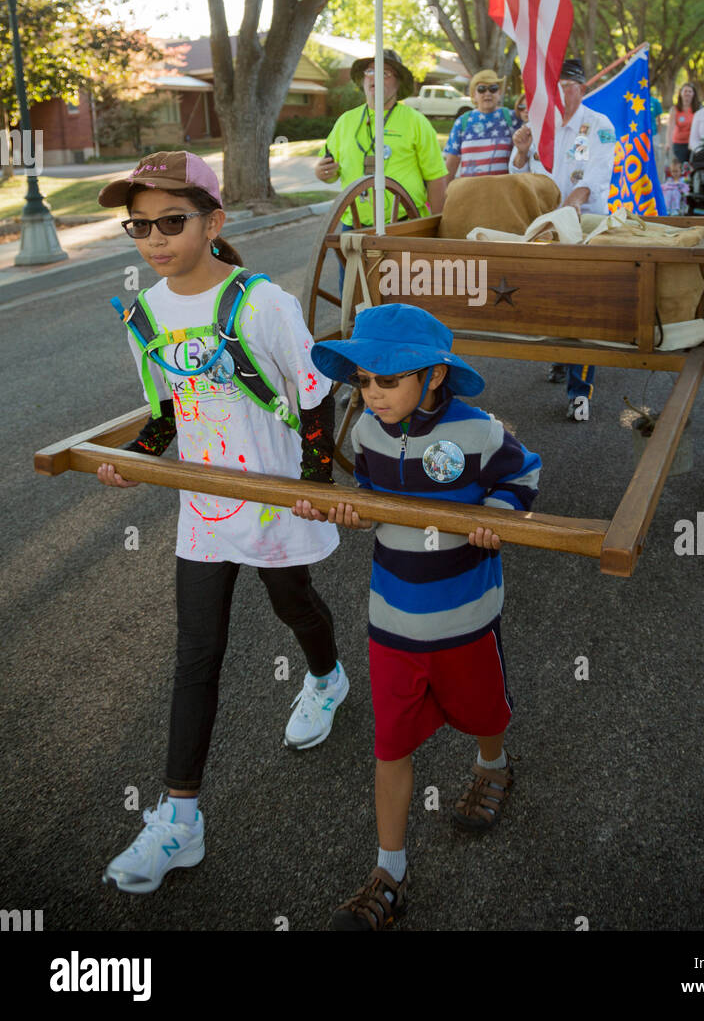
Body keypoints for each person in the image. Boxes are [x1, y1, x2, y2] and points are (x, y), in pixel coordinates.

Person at [94, 152, 346, 894]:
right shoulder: (145, 315)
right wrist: (135, 457)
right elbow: (171, 410)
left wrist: (316, 481)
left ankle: (328, 678)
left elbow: (312, 392)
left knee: (293, 603)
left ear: (214, 221)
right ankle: (180, 819)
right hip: (201, 508)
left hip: (271, 498)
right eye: (139, 225)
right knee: (196, 651)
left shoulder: (261, 303)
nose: (154, 239)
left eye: (172, 221)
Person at [293, 303, 541, 931]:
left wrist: (502, 512)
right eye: (365, 381)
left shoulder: (480, 431)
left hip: (465, 618)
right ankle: (389, 869)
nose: (372, 395)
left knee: (485, 712)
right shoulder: (368, 433)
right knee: (391, 743)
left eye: (388, 380)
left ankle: (493, 766)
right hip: (393, 620)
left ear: (434, 376)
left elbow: (525, 473)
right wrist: (359, 512)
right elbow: (375, 502)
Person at [509, 56, 616, 421]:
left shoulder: (598, 125)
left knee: (583, 303)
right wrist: (521, 151)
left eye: (568, 86)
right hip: (547, 223)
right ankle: (558, 355)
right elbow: (521, 173)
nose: (561, 92)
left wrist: (576, 199)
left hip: (585, 222)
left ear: (582, 89)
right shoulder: (540, 126)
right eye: (556, 86)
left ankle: (580, 390)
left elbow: (599, 173)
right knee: (548, 295)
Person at [314, 48, 448, 225]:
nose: (375, 77)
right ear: (363, 80)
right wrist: (322, 172)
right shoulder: (345, 121)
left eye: (384, 73)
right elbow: (329, 172)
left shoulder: (416, 121)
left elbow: (436, 178)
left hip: (405, 224)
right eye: (370, 71)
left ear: (398, 83)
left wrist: (438, 227)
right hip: (354, 226)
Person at [444, 69, 517, 181]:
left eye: (493, 89)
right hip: (470, 194)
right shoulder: (462, 121)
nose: (487, 93)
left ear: (499, 92)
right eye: (481, 89)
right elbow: (450, 169)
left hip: (504, 194)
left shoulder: (512, 118)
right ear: (474, 94)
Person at [666, 82, 700, 166]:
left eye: (690, 91)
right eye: (685, 91)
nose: (687, 93)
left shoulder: (698, 108)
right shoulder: (674, 109)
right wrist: (668, 143)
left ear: (693, 94)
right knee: (683, 168)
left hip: (695, 143)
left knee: (694, 167)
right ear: (681, 93)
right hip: (679, 144)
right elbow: (670, 128)